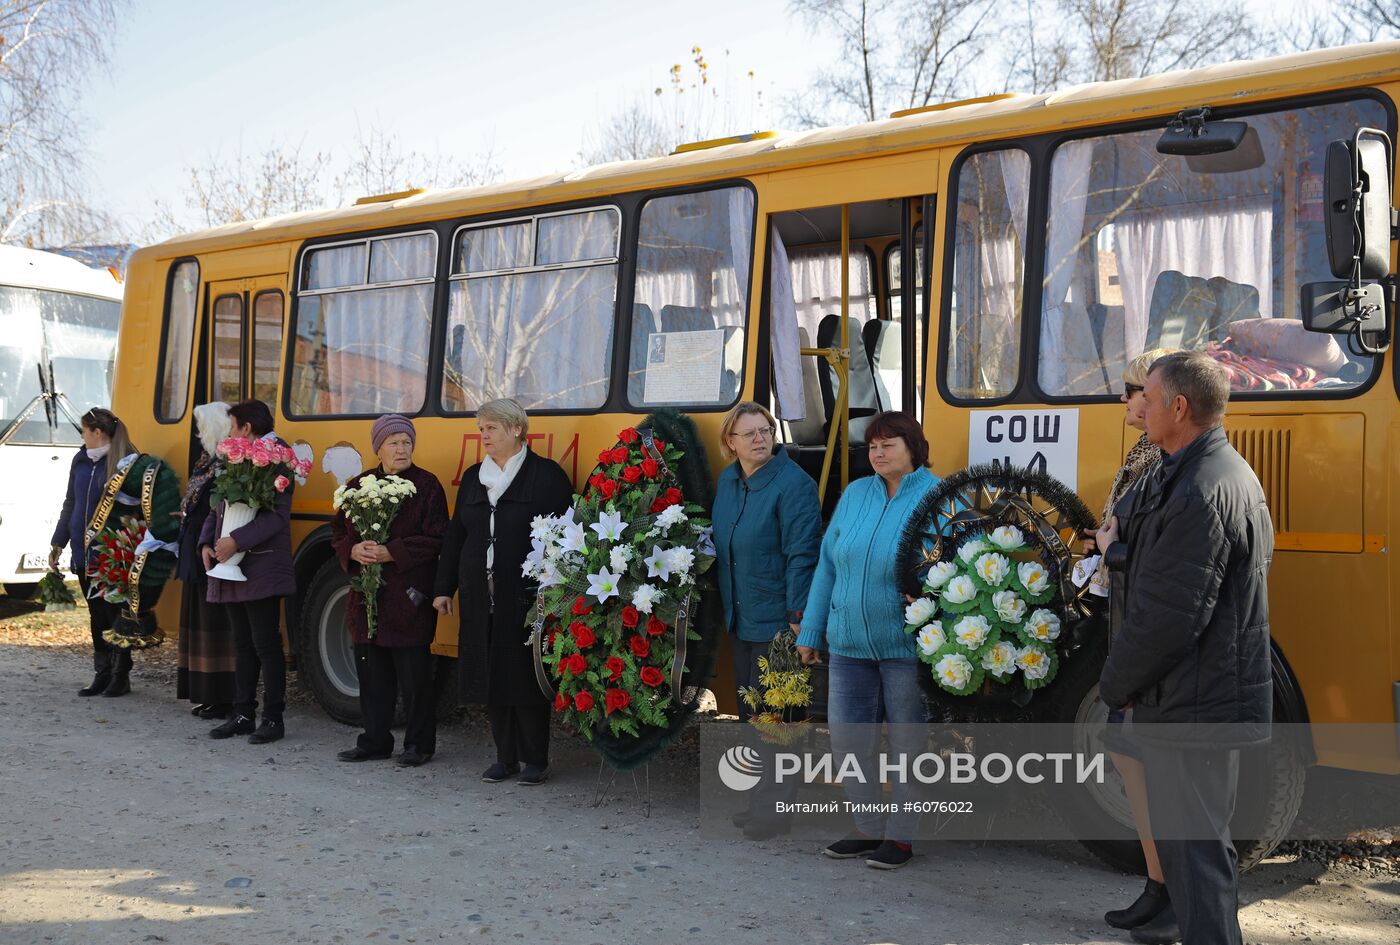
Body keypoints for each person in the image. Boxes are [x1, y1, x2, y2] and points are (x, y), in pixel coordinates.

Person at [1098, 351, 1273, 945]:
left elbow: (1169, 617)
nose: (1138, 405)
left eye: (1147, 395)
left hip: (1195, 703)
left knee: (1197, 858)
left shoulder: (1203, 488)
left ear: (1179, 405)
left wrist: (1115, 685)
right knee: (1198, 853)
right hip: (1194, 696)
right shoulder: (1198, 469)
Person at [796, 411, 939, 870]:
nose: (877, 453)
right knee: (848, 741)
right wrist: (814, 629)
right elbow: (828, 566)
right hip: (848, 645)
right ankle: (866, 828)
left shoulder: (938, 496)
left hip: (907, 648)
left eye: (888, 445)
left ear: (913, 448)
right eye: (872, 446)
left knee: (908, 745)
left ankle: (900, 837)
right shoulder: (855, 494)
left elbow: (955, 567)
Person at [434, 398, 572, 786]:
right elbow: (456, 534)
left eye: (491, 428)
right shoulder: (475, 476)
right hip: (481, 597)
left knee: (526, 677)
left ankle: (535, 760)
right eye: (481, 429)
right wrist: (444, 588)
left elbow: (566, 537)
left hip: (527, 598)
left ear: (516, 430)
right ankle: (504, 757)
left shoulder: (546, 477)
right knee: (489, 676)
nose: (484, 436)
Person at [1084, 349, 1174, 932]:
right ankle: (1159, 882)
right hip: (1131, 620)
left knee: (1154, 765)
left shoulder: (1170, 464)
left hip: (1151, 634)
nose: (1125, 400)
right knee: (1130, 756)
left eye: (1133, 389)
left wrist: (1111, 544)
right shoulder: (1147, 454)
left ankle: (1169, 889)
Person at [711, 401, 822, 840]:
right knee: (751, 716)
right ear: (730, 442)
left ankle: (774, 810)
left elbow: (803, 555)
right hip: (740, 617)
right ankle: (761, 800)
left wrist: (799, 619)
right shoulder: (728, 481)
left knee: (778, 721)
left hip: (778, 620)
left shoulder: (794, 484)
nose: (760, 439)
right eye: (750, 433)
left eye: (765, 430)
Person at [333, 414, 448, 767]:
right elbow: (338, 533)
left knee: (414, 677)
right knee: (372, 674)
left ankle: (418, 744)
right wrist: (352, 551)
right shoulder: (358, 486)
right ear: (378, 448)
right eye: (394, 443)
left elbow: (436, 538)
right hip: (367, 599)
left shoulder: (427, 486)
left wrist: (390, 551)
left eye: (407, 442)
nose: (402, 449)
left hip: (407, 597)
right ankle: (374, 740)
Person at [201, 400, 296, 745]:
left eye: (231, 426)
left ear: (245, 427)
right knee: (242, 643)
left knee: (266, 644)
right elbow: (219, 504)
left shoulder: (279, 456)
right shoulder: (236, 454)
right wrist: (205, 544)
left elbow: (277, 516)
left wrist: (235, 542)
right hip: (230, 561)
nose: (227, 433)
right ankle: (243, 714)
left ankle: (273, 718)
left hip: (261, 563)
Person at [50, 408, 131, 696]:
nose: (82, 436)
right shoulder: (81, 458)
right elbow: (70, 502)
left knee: (114, 614)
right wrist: (58, 541)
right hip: (82, 552)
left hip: (110, 554)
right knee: (96, 615)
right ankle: (102, 672)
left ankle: (121, 674)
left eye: (84, 430)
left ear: (97, 432)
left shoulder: (125, 462)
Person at [176, 402, 236, 719]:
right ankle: (207, 693)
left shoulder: (226, 463)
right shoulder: (207, 462)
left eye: (202, 427)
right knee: (199, 622)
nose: (199, 434)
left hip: (213, 551)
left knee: (215, 625)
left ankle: (222, 696)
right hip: (196, 549)